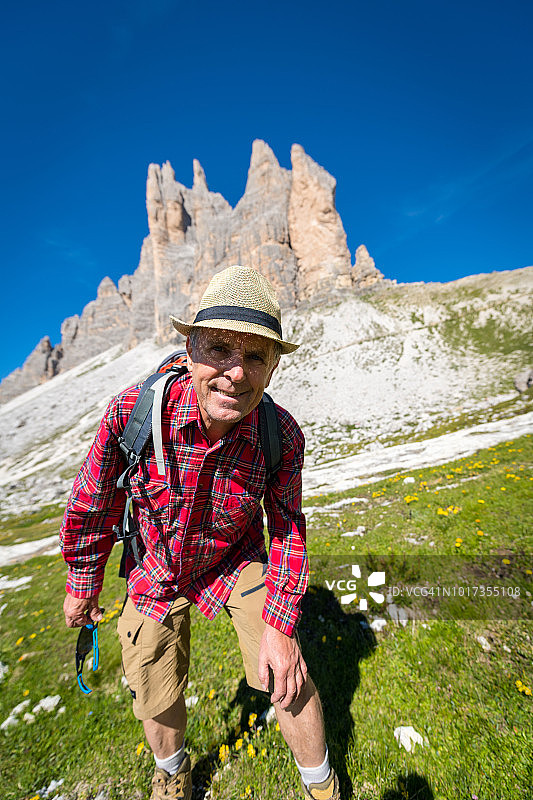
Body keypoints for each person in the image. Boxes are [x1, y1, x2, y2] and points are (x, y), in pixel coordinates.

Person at [60, 265, 340, 800]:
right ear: (189, 349)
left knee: (286, 671)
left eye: (255, 357)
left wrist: (281, 625)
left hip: (236, 559)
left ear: (273, 368)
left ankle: (322, 786)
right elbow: (94, 503)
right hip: (155, 563)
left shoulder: (281, 435)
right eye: (219, 349)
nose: (236, 373)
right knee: (151, 671)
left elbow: (286, 527)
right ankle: (172, 774)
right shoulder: (135, 412)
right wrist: (82, 582)